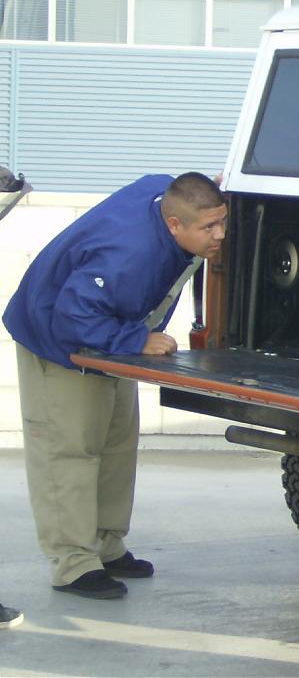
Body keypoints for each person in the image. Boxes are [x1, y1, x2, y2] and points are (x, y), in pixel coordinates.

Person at [3, 172, 226, 600]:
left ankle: (106, 544)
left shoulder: (170, 197)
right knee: (70, 451)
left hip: (108, 336)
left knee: (116, 443)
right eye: (208, 228)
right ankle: (73, 564)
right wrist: (135, 340)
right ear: (175, 225)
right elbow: (73, 316)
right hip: (57, 340)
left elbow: (181, 187)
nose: (220, 235)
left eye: (222, 221)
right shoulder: (130, 255)